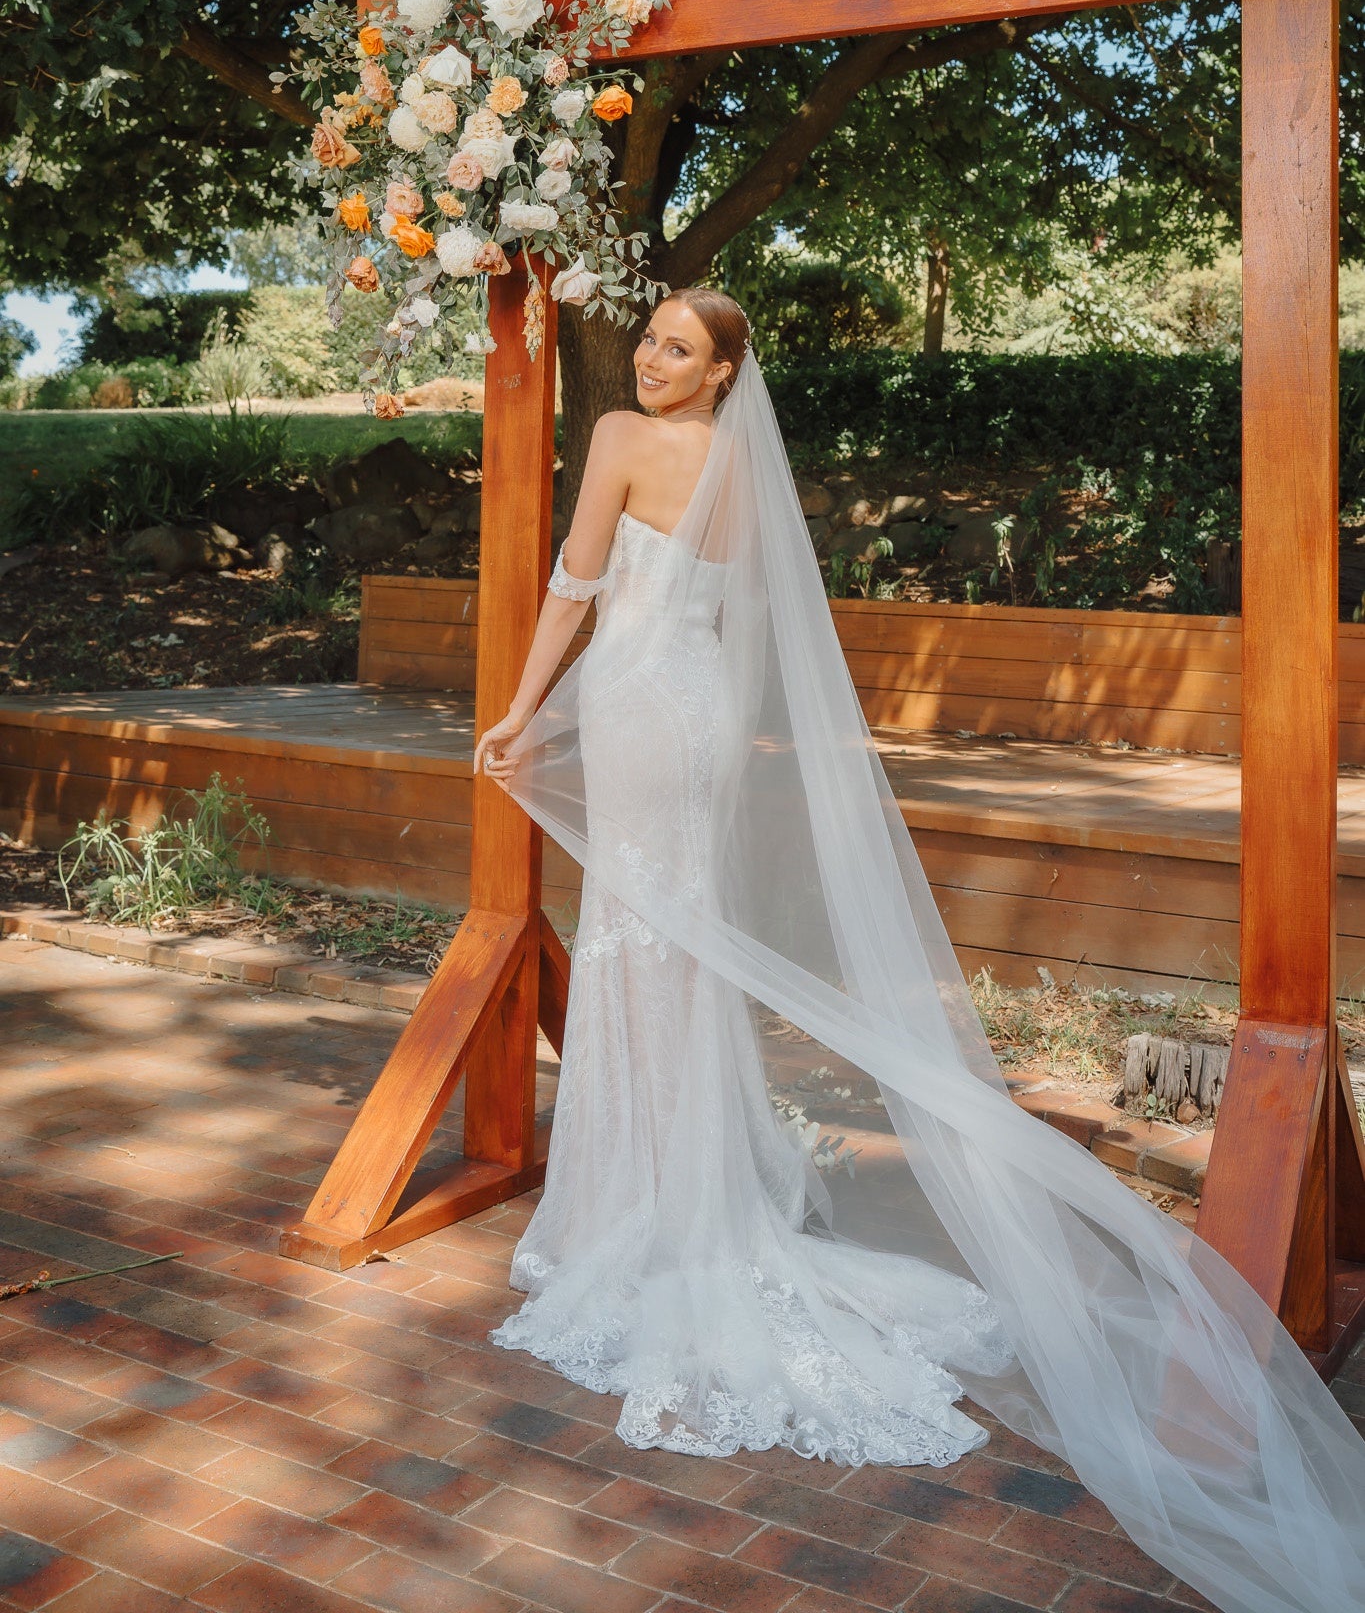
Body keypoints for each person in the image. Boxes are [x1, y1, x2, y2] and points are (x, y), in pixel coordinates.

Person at [474, 288, 1365, 1613]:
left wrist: (514, 708)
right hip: (702, 714)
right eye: (651, 341)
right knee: (666, 948)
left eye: (679, 349)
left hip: (636, 707)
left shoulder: (611, 433)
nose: (653, 362)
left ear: (722, 375)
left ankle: (647, 1198)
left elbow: (573, 587)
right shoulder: (746, 475)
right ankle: (675, 1175)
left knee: (637, 944)